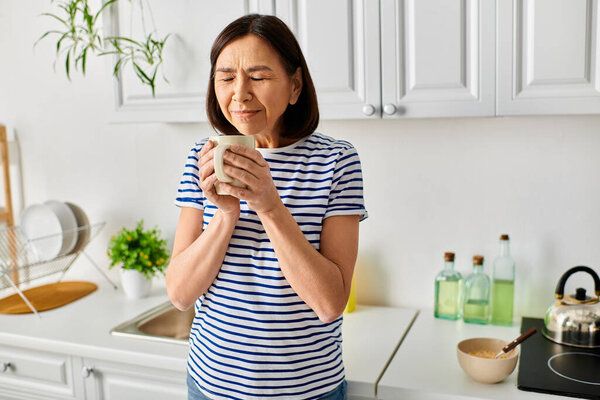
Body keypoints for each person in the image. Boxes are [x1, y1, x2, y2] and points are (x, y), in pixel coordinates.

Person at [167, 14, 367, 400]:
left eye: (257, 77)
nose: (239, 93)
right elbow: (179, 294)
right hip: (210, 388)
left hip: (308, 391)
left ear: (294, 86)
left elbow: (329, 304)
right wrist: (226, 215)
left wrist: (270, 207)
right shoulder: (202, 158)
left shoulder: (337, 162)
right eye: (226, 78)